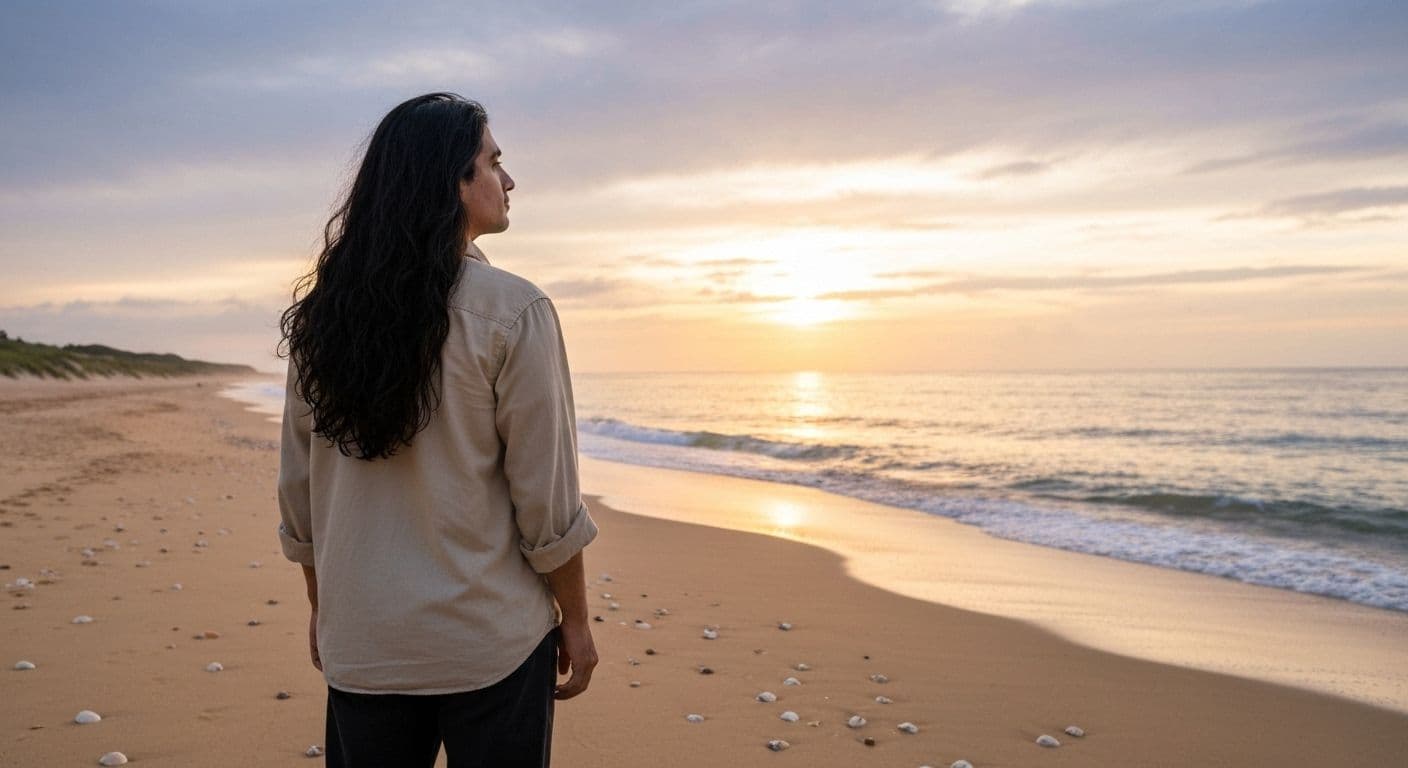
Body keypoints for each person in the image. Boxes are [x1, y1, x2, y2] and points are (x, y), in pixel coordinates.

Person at [276, 92, 598, 768]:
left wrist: (323, 608)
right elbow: (546, 500)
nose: (508, 182)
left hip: (364, 643)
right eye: (494, 163)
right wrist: (577, 618)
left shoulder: (323, 321)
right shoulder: (514, 309)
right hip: (490, 641)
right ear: (450, 182)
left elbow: (301, 498)